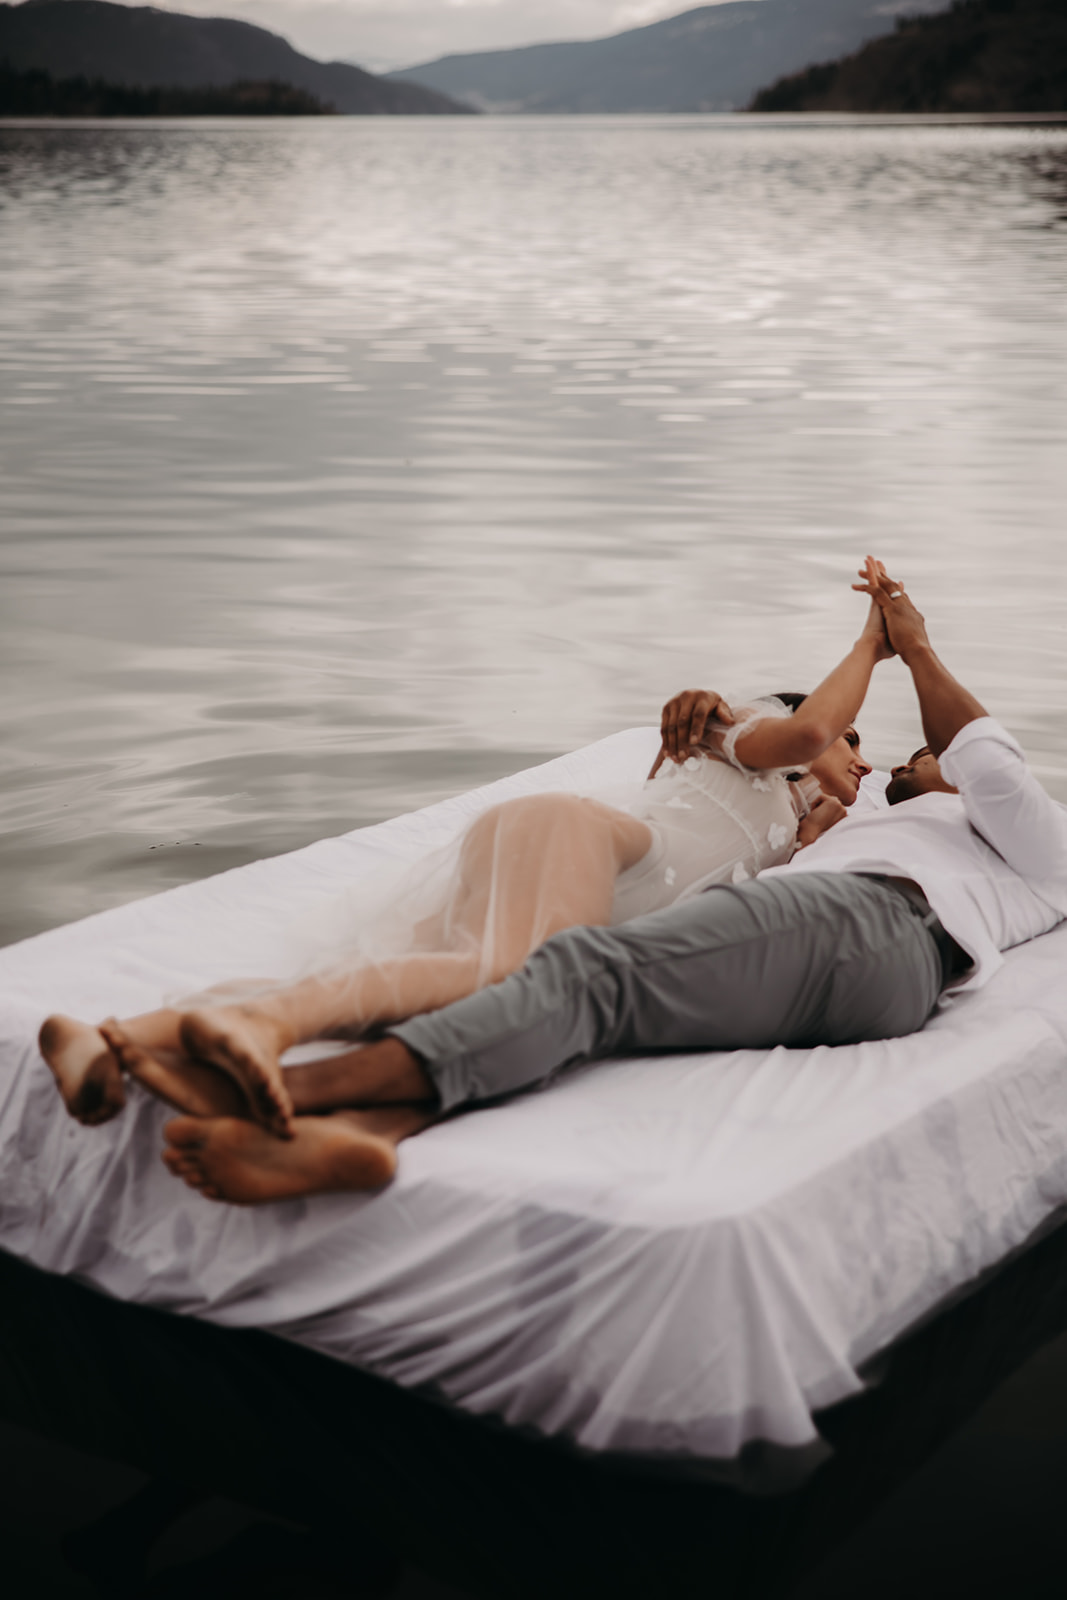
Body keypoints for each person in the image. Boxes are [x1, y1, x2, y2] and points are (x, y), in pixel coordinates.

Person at [150, 558, 1067, 1205]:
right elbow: (786, 762)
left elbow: (978, 756)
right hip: (864, 965)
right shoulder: (859, 815)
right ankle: (370, 1132)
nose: (893, 768)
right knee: (602, 1005)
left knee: (580, 971)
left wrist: (905, 643)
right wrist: (717, 720)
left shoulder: (1015, 830)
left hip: (865, 926)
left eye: (913, 760)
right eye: (880, 756)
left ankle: (293, 1091)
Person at [40, 585, 887, 1138]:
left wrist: (829, 829)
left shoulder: (787, 840)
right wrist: (872, 644)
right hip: (575, 837)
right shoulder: (747, 742)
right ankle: (251, 1029)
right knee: (509, 974)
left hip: (570, 878)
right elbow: (811, 730)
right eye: (855, 739)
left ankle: (112, 1041)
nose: (859, 757)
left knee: (450, 983)